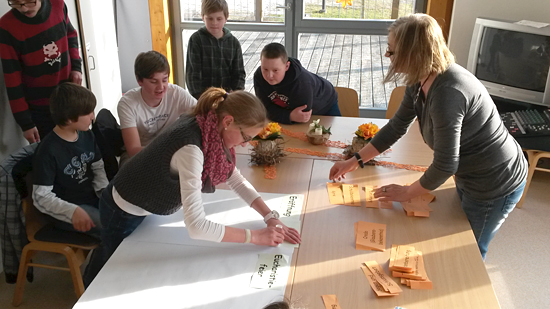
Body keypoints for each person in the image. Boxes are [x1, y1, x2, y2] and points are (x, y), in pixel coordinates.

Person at [329, 14, 527, 260]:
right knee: (452, 235)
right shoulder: (420, 77)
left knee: (469, 254)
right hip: (469, 172)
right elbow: (396, 127)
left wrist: (406, 192)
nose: (387, 56)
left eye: (392, 51)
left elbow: (445, 164)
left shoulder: (448, 93)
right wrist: (354, 160)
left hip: (495, 181)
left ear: (414, 53)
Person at [83, 87, 302, 286]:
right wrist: (255, 237)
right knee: (110, 270)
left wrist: (269, 216)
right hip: (122, 209)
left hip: (145, 202)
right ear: (228, 121)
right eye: (245, 137)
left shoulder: (210, 127)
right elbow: (196, 226)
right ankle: (85, 286)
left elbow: (234, 178)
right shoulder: (192, 148)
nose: (245, 144)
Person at [0, 0, 83, 144]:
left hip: (69, 97)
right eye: (16, 3)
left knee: (79, 144)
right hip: (40, 109)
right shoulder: (6, 27)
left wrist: (76, 68)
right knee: (52, 155)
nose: (24, 8)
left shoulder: (58, 5)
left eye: (29, 2)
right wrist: (26, 124)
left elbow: (71, 34)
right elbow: (12, 78)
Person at [32, 83, 108, 239]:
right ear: (69, 118)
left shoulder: (86, 134)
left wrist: (106, 195)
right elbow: (41, 197)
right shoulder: (48, 150)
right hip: (65, 212)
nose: (93, 117)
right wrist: (72, 211)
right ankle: (100, 263)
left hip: (91, 200)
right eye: (88, 113)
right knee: (111, 228)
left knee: (127, 215)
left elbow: (97, 166)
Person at [118, 51, 197, 160]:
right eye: (154, 82)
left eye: (165, 80)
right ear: (139, 81)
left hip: (171, 153)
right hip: (142, 156)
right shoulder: (127, 103)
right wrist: (169, 153)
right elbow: (133, 150)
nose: (161, 87)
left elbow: (203, 112)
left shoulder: (176, 93)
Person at [253, 42, 340, 124]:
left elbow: (302, 116)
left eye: (275, 70)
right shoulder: (259, 76)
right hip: (292, 112)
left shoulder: (302, 83)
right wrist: (289, 116)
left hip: (326, 104)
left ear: (286, 66)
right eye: (265, 69)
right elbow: (264, 109)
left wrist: (287, 116)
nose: (269, 75)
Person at [185, 0, 245, 100]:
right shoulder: (196, 40)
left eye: (219, 18)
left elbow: (239, 73)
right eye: (210, 18)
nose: (214, 23)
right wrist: (199, 97)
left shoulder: (234, 43)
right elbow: (192, 74)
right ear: (203, 17)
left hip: (228, 98)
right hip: (203, 98)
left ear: (226, 18)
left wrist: (235, 93)